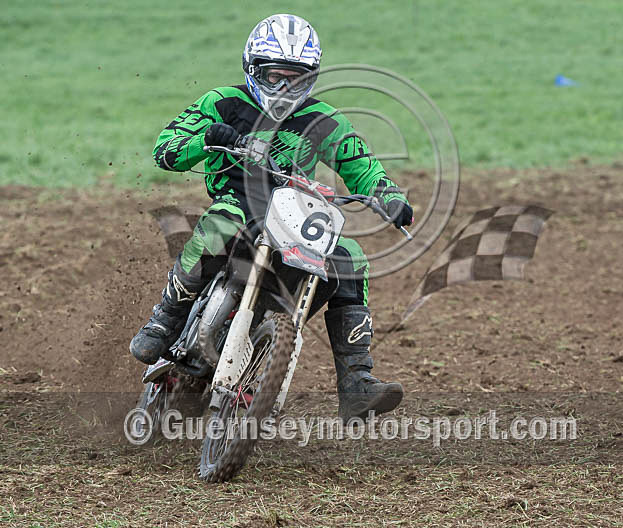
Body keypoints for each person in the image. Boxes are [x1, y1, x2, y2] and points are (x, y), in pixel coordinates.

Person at [129, 14, 413, 422]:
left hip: (296, 214)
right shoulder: (223, 102)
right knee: (221, 224)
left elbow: (362, 165)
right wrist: (208, 138)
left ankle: (356, 383)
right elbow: (166, 148)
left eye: (294, 79)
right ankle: (164, 322)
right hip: (237, 201)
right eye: (274, 76)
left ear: (311, 77)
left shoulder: (325, 121)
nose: (283, 88)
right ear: (252, 69)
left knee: (351, 257)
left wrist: (389, 196)